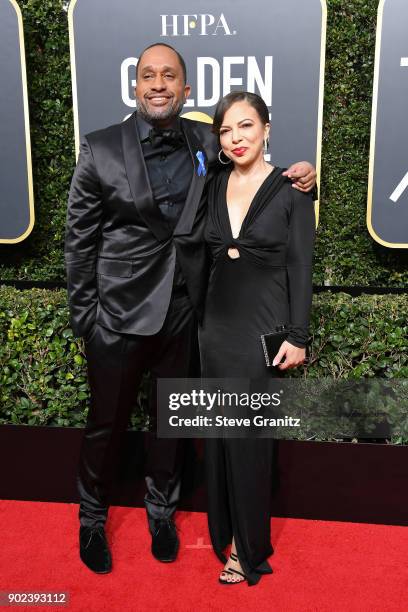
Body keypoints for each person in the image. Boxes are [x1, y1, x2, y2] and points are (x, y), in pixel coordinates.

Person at [64, 42, 317, 574]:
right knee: (105, 425)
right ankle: (91, 520)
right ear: (134, 86)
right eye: (148, 76)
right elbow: (79, 242)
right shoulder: (100, 148)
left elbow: (254, 161)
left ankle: (161, 514)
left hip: (183, 315)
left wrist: (302, 174)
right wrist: (87, 320)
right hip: (117, 315)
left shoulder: (208, 138)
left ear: (186, 89)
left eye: (169, 76)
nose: (158, 84)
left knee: (170, 425)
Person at [199, 91, 316, 585]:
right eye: (226, 130)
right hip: (213, 328)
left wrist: (298, 333)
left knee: (247, 438)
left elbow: (300, 265)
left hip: (260, 331)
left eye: (246, 126)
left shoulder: (291, 188)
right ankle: (225, 530)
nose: (237, 138)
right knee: (218, 436)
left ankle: (249, 549)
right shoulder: (211, 185)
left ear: (266, 128)